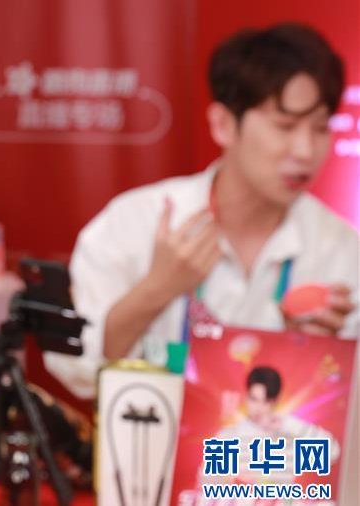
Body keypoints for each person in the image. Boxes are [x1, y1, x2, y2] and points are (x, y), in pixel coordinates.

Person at [45, 23, 359, 399]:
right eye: (285, 126)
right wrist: (155, 290)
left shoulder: (341, 250)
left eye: (321, 128)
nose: (305, 150)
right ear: (223, 124)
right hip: (149, 435)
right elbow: (77, 370)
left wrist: (308, 352)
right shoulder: (134, 222)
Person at [208, 366, 339, 483]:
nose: (259, 408)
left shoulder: (288, 435)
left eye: (266, 401)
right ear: (246, 396)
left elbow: (332, 452)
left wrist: (288, 425)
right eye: (254, 399)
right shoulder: (230, 435)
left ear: (275, 402)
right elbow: (208, 481)